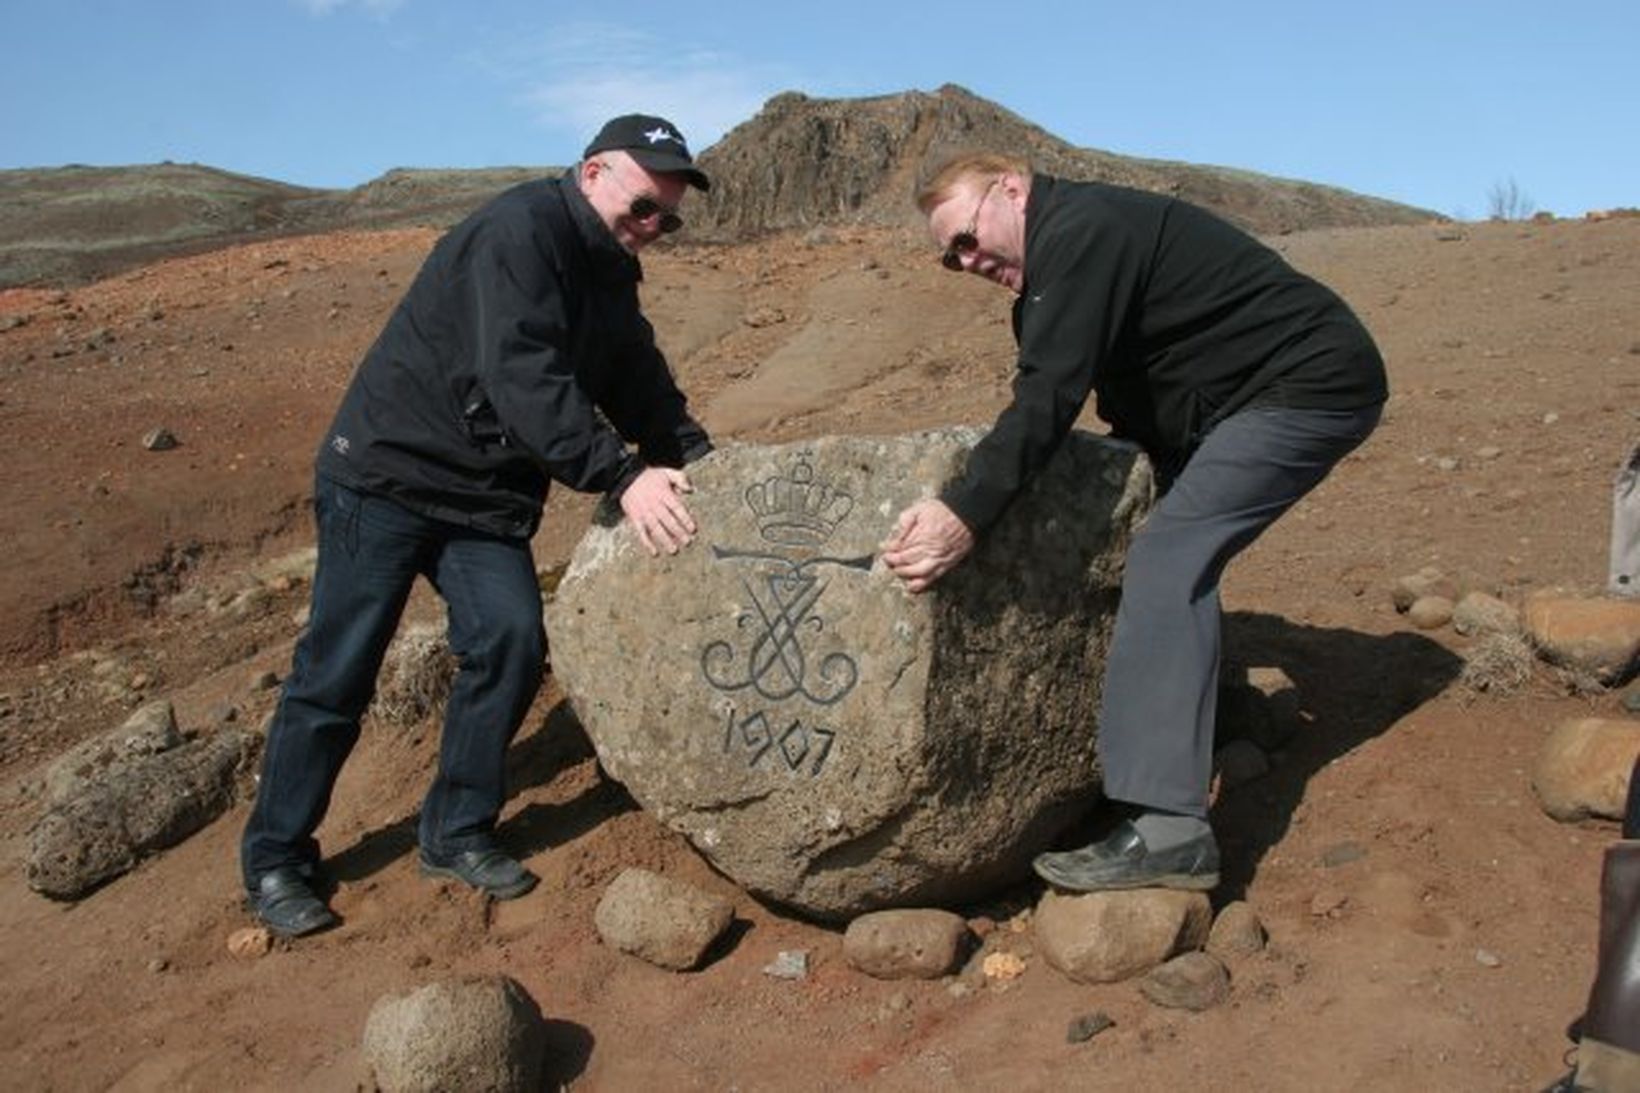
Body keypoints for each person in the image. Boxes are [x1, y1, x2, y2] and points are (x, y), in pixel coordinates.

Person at [240, 114, 714, 937]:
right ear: (594, 171)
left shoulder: (608, 266)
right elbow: (522, 376)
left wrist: (701, 461)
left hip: (481, 499)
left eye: (666, 220)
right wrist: (623, 476)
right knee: (337, 671)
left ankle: (455, 829)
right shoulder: (518, 232)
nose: (652, 229)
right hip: (386, 474)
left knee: (511, 640)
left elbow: (634, 372)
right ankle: (277, 856)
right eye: (643, 207)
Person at [882, 153, 1386, 893]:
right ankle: (1193, 732)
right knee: (1166, 546)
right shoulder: (1053, 275)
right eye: (951, 259)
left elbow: (1047, 399)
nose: (967, 260)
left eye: (965, 236)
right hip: (1234, 407)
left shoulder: (1082, 231)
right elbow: (1109, 396)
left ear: (1012, 189)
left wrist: (963, 512)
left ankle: (1168, 828)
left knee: (1170, 556)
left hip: (1308, 385)